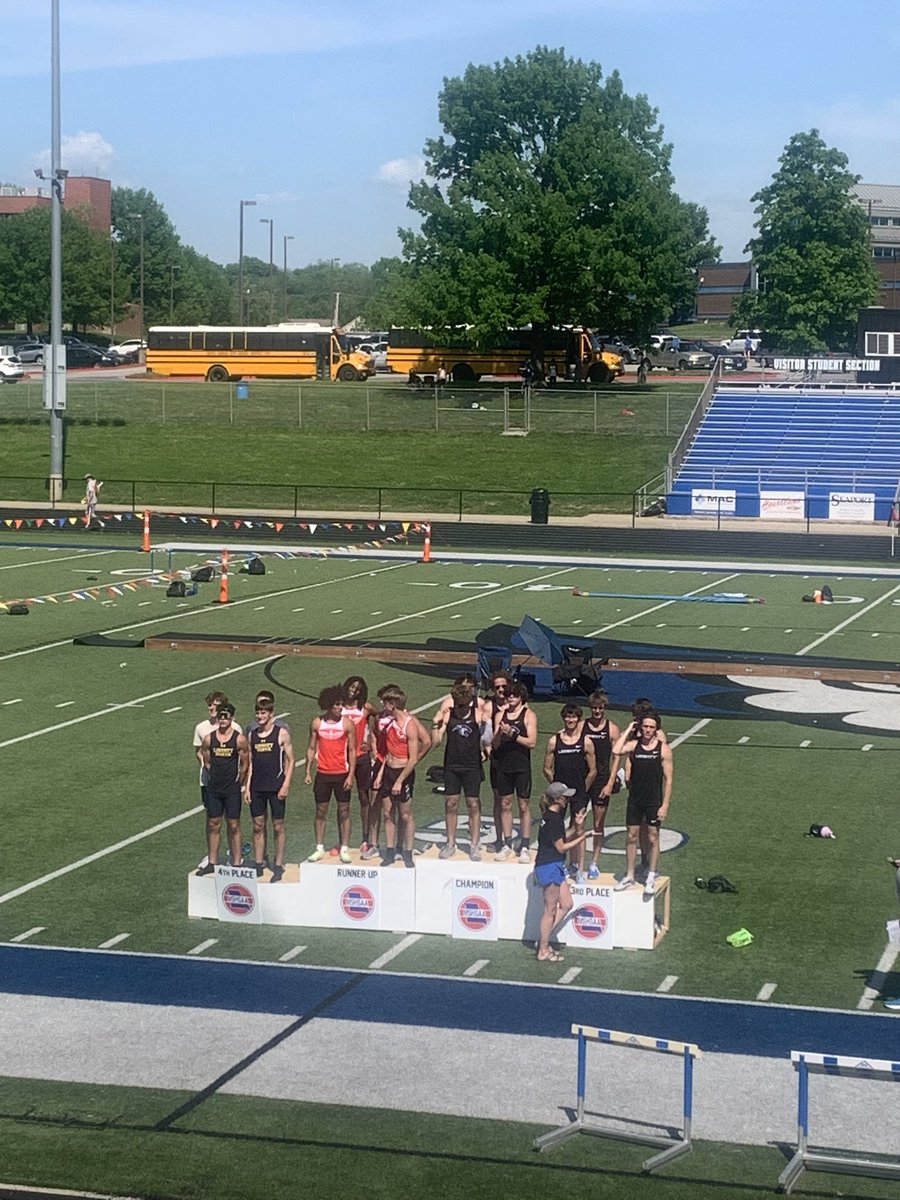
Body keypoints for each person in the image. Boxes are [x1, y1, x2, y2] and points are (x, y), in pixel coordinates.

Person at [612, 710, 673, 896]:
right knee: (631, 836)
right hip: (635, 799)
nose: (647, 730)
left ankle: (651, 875)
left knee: (653, 837)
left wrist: (665, 805)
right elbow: (616, 750)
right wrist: (629, 729)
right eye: (645, 726)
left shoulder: (663, 749)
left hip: (653, 800)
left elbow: (669, 780)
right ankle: (630, 875)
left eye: (651, 727)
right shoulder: (634, 745)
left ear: (656, 729)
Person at [431, 679, 490, 861]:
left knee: (473, 804)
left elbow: (487, 738)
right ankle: (450, 843)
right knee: (451, 804)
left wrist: (486, 752)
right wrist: (435, 725)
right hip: (452, 765)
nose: (462, 709)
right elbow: (436, 742)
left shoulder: (477, 715)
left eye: (464, 705)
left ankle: (474, 844)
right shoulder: (448, 715)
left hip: (471, 766)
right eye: (458, 705)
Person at [534, 782, 590, 962]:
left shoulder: (551, 817)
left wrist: (576, 827)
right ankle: (543, 950)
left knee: (566, 904)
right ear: (557, 799)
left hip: (554, 864)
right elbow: (561, 847)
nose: (567, 799)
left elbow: (560, 837)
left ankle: (542, 941)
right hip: (549, 865)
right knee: (549, 910)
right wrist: (583, 837)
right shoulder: (554, 819)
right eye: (565, 796)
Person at [375, 687, 430, 867]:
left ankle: (407, 851)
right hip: (389, 770)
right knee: (387, 813)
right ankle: (390, 850)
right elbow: (386, 752)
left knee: (405, 815)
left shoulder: (409, 725)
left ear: (392, 705)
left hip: (402, 773)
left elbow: (413, 757)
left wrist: (400, 780)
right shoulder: (389, 723)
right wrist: (381, 774)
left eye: (385, 703)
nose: (382, 705)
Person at [542, 703, 597, 879]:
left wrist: (583, 789)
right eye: (567, 716)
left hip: (579, 793)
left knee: (579, 828)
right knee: (557, 829)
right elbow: (547, 768)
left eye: (573, 717)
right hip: (560, 795)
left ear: (578, 719)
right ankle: (561, 865)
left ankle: (579, 869)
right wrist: (557, 787)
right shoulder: (554, 740)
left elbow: (593, 770)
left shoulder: (586, 742)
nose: (570, 720)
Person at [304, 686, 357, 864]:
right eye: (337, 704)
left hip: (341, 774)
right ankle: (319, 847)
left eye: (342, 704)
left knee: (344, 811)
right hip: (323, 774)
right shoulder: (317, 723)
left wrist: (350, 775)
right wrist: (308, 771)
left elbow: (352, 751)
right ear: (328, 705)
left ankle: (345, 847)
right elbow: (311, 748)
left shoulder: (347, 724)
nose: (340, 708)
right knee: (321, 811)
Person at [196, 702, 250, 875]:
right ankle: (212, 861)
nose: (223, 720)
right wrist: (214, 776)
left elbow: (245, 764)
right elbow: (207, 761)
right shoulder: (209, 739)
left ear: (232, 718)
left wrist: (239, 783)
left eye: (226, 716)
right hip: (214, 788)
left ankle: (237, 862)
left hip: (232, 788)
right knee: (213, 824)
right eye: (220, 716)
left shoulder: (239, 739)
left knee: (234, 824)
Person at [244, 698, 294, 882]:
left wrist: (286, 784)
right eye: (257, 713)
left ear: (271, 714)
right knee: (257, 825)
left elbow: (291, 760)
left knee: (278, 825)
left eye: (263, 713)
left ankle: (278, 864)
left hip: (275, 786)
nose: (260, 716)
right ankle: (259, 863)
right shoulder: (252, 735)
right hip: (257, 786)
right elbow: (251, 762)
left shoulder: (281, 733)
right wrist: (247, 787)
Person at [491, 680, 538, 862]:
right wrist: (499, 733)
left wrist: (513, 734)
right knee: (505, 804)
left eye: (514, 695)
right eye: (508, 694)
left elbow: (532, 742)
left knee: (523, 805)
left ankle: (525, 844)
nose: (510, 697)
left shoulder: (529, 715)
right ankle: (507, 843)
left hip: (521, 766)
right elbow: (494, 745)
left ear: (521, 697)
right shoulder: (500, 715)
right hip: (504, 765)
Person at [584, 691, 622, 879]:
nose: (597, 711)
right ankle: (575, 862)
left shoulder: (612, 729)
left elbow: (617, 756)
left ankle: (594, 863)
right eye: (594, 708)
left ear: (604, 708)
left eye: (600, 708)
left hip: (601, 780)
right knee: (577, 822)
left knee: (598, 824)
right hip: (583, 778)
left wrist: (610, 781)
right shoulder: (582, 726)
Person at [341, 676, 378, 857]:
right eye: (351, 686)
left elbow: (380, 719)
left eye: (357, 688)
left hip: (361, 757)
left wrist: (371, 742)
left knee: (364, 798)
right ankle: (343, 842)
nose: (353, 690)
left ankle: (366, 839)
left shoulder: (365, 707)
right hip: (342, 758)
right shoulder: (339, 707)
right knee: (342, 802)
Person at [486, 670, 514, 853]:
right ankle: (499, 838)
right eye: (497, 687)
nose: (501, 690)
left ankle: (517, 841)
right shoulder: (489, 707)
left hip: (514, 757)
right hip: (497, 758)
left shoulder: (516, 704)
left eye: (504, 686)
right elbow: (483, 733)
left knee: (514, 801)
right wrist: (486, 749)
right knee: (498, 800)